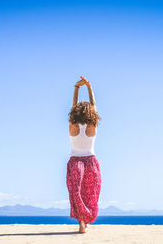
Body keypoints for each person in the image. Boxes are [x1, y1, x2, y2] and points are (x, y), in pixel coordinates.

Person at [67, 76, 102, 233]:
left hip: (75, 162)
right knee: (90, 193)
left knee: (77, 193)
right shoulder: (92, 125)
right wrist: (89, 86)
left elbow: (73, 106)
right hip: (91, 162)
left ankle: (82, 221)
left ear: (75, 113)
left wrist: (76, 87)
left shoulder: (73, 124)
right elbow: (93, 106)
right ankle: (85, 220)